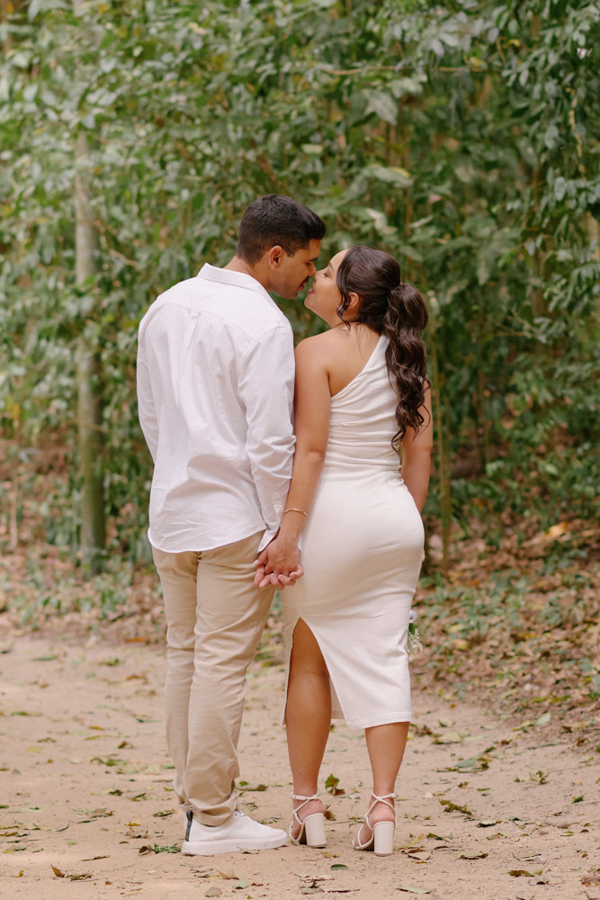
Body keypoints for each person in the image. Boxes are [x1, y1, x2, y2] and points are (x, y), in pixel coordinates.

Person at [136, 195, 325, 855]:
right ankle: (215, 819)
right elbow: (270, 442)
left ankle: (196, 809)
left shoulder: (165, 304)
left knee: (185, 654)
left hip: (173, 511)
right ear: (275, 254)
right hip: (232, 517)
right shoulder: (265, 324)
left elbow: (152, 415)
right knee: (219, 661)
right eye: (306, 263)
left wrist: (176, 478)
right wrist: (283, 530)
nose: (308, 278)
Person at [255, 245, 432, 857]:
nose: (317, 277)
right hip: (394, 520)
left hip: (331, 519)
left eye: (327, 273)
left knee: (310, 660)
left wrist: (289, 533)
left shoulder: (316, 352)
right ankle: (382, 809)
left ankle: (308, 803)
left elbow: (310, 452)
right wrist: (399, 521)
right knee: (387, 658)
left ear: (349, 300)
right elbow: (420, 457)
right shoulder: (408, 356)